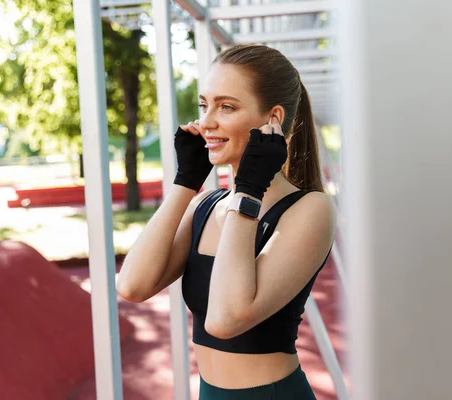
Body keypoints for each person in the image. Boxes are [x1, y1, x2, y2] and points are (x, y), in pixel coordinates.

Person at [116, 44, 336, 399]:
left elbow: (225, 319)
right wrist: (185, 182)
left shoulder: (310, 209)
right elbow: (132, 286)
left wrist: (249, 188)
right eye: (204, 105)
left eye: (226, 106)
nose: (206, 122)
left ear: (273, 119)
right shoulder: (206, 205)